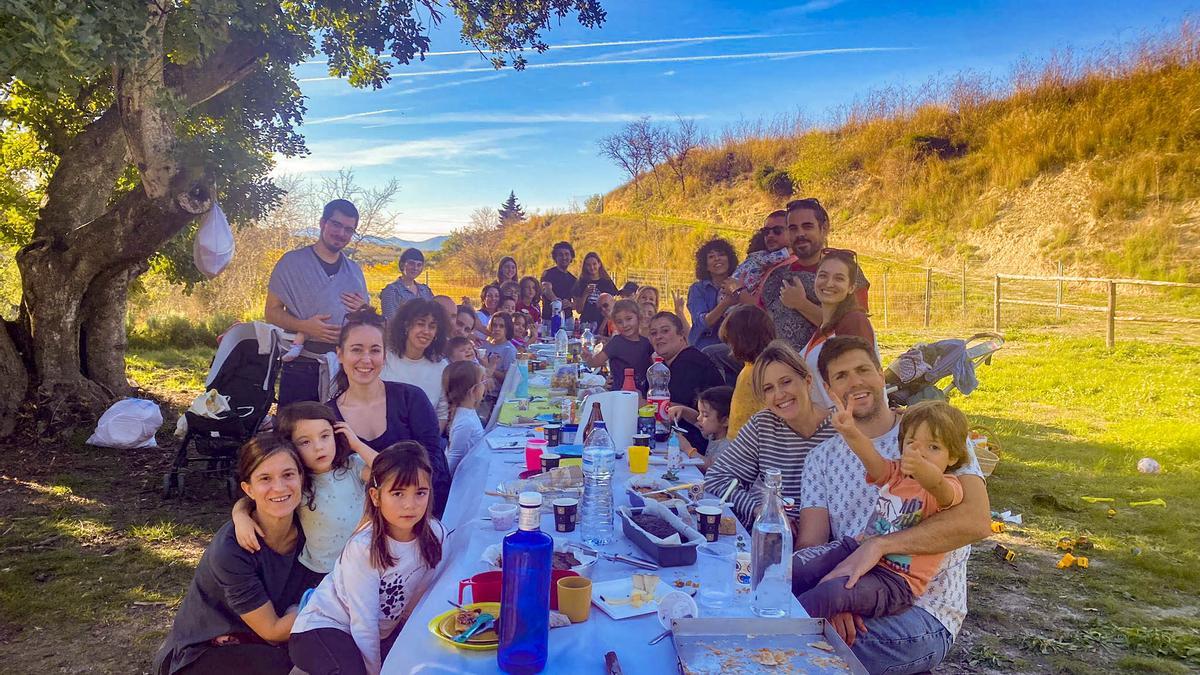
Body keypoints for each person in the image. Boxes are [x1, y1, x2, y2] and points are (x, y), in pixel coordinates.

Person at [797, 336, 991, 674]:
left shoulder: (934, 436)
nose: (855, 381)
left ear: (880, 373)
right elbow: (812, 545)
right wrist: (836, 595)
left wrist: (879, 546)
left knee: (803, 647)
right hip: (852, 582)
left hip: (924, 606)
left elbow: (976, 522)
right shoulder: (821, 458)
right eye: (841, 376)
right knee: (784, 597)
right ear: (829, 389)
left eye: (863, 369)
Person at [153, 435, 319, 675]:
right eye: (265, 478)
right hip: (203, 652)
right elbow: (272, 631)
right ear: (247, 489)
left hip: (263, 640)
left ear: (302, 478)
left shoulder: (315, 527)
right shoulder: (231, 549)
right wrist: (312, 608)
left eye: (288, 474)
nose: (280, 487)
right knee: (299, 666)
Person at [794, 399, 967, 620]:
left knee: (832, 593)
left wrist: (921, 466)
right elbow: (872, 460)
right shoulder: (896, 474)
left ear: (953, 456)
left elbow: (937, 485)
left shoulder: (949, 486)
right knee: (797, 567)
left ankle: (784, 631)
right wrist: (851, 432)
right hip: (859, 550)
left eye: (933, 447)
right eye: (912, 443)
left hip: (895, 579)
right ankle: (758, 611)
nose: (920, 453)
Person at [290, 443, 446, 675]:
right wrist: (375, 671)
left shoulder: (436, 535)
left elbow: (417, 599)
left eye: (420, 493)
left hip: (375, 634)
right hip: (324, 628)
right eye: (397, 493)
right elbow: (363, 623)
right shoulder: (364, 548)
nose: (410, 505)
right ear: (376, 496)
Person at [231, 403, 377, 580]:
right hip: (322, 570)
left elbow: (390, 473)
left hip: (364, 560)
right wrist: (240, 517)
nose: (318, 447)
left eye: (325, 436)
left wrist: (357, 445)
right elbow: (252, 498)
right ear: (290, 446)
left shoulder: (352, 467)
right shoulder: (295, 481)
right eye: (305, 441)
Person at [327, 310, 450, 518]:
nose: (366, 359)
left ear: (384, 356)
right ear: (340, 354)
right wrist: (249, 510)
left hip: (420, 518)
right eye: (356, 350)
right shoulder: (327, 417)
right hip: (357, 528)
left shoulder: (411, 399)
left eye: (375, 350)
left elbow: (433, 466)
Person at [703, 340, 835, 528]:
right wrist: (761, 511)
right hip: (774, 535)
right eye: (768, 389)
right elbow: (717, 478)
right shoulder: (763, 424)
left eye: (786, 382)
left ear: (807, 381)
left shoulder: (840, 427)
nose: (780, 394)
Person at [266, 199, 370, 406]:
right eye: (336, 225)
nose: (341, 234)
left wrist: (363, 311)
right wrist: (303, 326)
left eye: (349, 229)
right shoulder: (292, 263)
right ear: (322, 223)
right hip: (301, 363)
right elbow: (271, 312)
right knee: (293, 430)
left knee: (338, 431)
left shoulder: (355, 272)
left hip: (344, 366)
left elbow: (367, 321)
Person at [762, 199, 870, 353]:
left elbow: (854, 330)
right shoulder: (776, 277)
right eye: (793, 228)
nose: (800, 234)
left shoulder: (847, 273)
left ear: (824, 228)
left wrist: (802, 304)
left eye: (807, 226)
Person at [803, 249, 876, 410]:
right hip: (829, 428)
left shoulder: (853, 322)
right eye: (823, 275)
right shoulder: (825, 327)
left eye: (839, 278)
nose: (829, 283)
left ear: (851, 287)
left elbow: (863, 382)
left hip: (851, 426)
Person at [647, 312, 724, 454]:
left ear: (681, 335)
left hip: (703, 448)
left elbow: (668, 409)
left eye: (665, 330)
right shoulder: (665, 365)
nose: (658, 336)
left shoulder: (689, 362)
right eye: (653, 333)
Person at [380, 298, 450, 432]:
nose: (426, 331)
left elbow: (442, 414)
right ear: (406, 326)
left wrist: (428, 445)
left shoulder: (441, 367)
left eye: (432, 326)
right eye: (420, 324)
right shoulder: (384, 358)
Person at [717, 305, 776, 439]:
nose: (730, 349)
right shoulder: (748, 368)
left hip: (752, 447)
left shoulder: (763, 371)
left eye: (732, 342)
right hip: (738, 444)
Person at [686, 238, 744, 351]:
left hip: (736, 349)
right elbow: (702, 323)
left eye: (721, 254)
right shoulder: (697, 289)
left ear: (729, 260)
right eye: (711, 257)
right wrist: (726, 303)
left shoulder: (741, 283)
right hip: (704, 349)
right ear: (705, 265)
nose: (717, 259)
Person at [584, 299, 653, 392]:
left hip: (643, 393)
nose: (625, 325)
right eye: (619, 322)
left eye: (629, 319)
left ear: (638, 318)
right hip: (619, 393)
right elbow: (596, 362)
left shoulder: (647, 343)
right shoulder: (616, 342)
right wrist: (588, 358)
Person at [668, 385, 733, 471]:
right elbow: (695, 420)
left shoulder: (728, 444)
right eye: (700, 412)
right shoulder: (714, 433)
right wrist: (683, 411)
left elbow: (712, 467)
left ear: (725, 421)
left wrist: (688, 449)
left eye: (705, 415)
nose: (699, 418)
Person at [443, 360, 487, 475]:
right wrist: (444, 483)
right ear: (473, 390)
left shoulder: (468, 412)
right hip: (468, 474)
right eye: (483, 381)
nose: (485, 385)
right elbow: (454, 456)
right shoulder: (465, 422)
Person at [379, 248, 433, 322]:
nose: (415, 268)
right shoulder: (392, 291)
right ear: (402, 265)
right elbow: (390, 322)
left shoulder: (425, 290)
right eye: (411, 263)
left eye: (419, 265)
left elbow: (434, 315)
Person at [572, 252, 620, 327]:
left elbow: (613, 308)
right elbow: (578, 310)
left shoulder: (607, 282)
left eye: (594, 264)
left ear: (599, 264)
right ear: (585, 267)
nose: (592, 267)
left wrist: (603, 326)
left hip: (604, 323)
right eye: (588, 265)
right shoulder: (580, 283)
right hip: (586, 323)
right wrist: (585, 294)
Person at [540, 241, 577, 316]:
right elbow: (546, 290)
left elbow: (577, 305)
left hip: (567, 320)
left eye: (567, 254)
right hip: (549, 319)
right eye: (560, 255)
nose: (564, 257)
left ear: (571, 257)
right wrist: (556, 301)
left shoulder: (573, 279)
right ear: (555, 257)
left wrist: (570, 304)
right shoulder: (548, 274)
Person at [483, 311, 518, 386]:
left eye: (501, 326)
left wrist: (489, 368)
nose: (497, 329)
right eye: (494, 325)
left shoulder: (509, 350)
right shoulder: (484, 346)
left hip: (495, 394)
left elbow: (508, 378)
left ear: (507, 328)